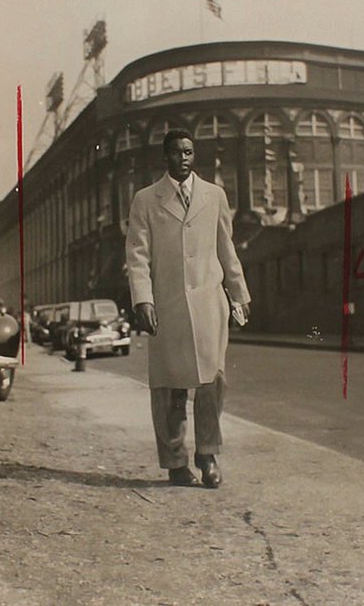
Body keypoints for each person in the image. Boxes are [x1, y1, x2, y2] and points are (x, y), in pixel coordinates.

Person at [126, 129, 251, 488]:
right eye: (177, 152)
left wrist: (239, 294)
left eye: (189, 152)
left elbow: (227, 249)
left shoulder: (214, 196)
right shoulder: (146, 200)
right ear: (165, 157)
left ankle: (207, 454)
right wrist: (143, 300)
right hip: (167, 307)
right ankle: (176, 461)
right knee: (169, 388)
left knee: (212, 383)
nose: (184, 158)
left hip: (210, 305)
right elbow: (137, 256)